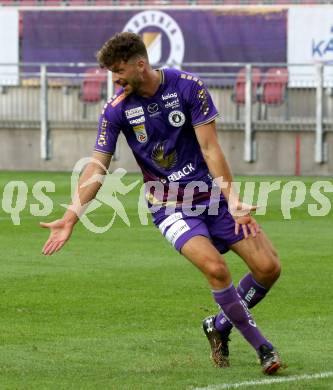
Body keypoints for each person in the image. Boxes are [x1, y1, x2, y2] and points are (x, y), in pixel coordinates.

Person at [40, 32, 283, 374]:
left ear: (141, 64)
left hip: (212, 198)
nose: (115, 79)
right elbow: (97, 165)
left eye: (119, 71)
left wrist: (234, 200)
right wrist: (70, 216)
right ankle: (264, 349)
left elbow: (211, 149)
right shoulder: (116, 110)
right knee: (216, 269)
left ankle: (218, 325)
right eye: (111, 73)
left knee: (269, 268)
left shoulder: (188, 87)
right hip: (169, 206)